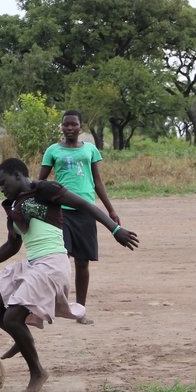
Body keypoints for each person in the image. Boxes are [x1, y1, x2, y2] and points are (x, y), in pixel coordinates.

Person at [0, 158, 138, 392]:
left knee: (13, 316)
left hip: (52, 264)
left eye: (3, 183)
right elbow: (12, 247)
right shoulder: (12, 208)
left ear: (18, 175)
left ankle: (37, 372)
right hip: (32, 264)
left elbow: (86, 206)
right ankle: (21, 337)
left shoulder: (44, 190)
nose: (1, 188)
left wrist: (115, 229)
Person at [37, 110, 122, 325]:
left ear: (80, 127)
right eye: (66, 125)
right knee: (60, 260)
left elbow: (98, 181)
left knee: (83, 263)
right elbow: (41, 182)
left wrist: (110, 209)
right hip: (61, 212)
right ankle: (55, 305)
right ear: (62, 127)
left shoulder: (90, 150)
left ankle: (80, 310)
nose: (70, 128)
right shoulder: (53, 151)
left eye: (74, 124)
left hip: (86, 212)